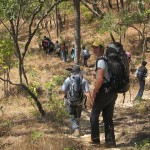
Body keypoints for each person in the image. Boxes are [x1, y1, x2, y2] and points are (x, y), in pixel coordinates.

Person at [90, 41, 118, 147]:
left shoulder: (101, 60)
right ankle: (110, 141)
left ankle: (95, 140)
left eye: (96, 47)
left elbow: (100, 79)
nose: (94, 49)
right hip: (112, 92)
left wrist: (94, 91)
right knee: (107, 117)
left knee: (93, 115)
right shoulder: (108, 60)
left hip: (104, 92)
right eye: (93, 47)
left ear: (101, 48)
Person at [61, 65, 92, 137]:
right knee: (78, 115)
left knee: (71, 115)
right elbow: (87, 92)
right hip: (80, 101)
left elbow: (63, 91)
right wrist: (91, 101)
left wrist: (62, 99)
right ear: (79, 72)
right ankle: (77, 126)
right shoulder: (83, 80)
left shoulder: (68, 79)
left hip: (70, 101)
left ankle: (76, 129)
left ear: (72, 72)